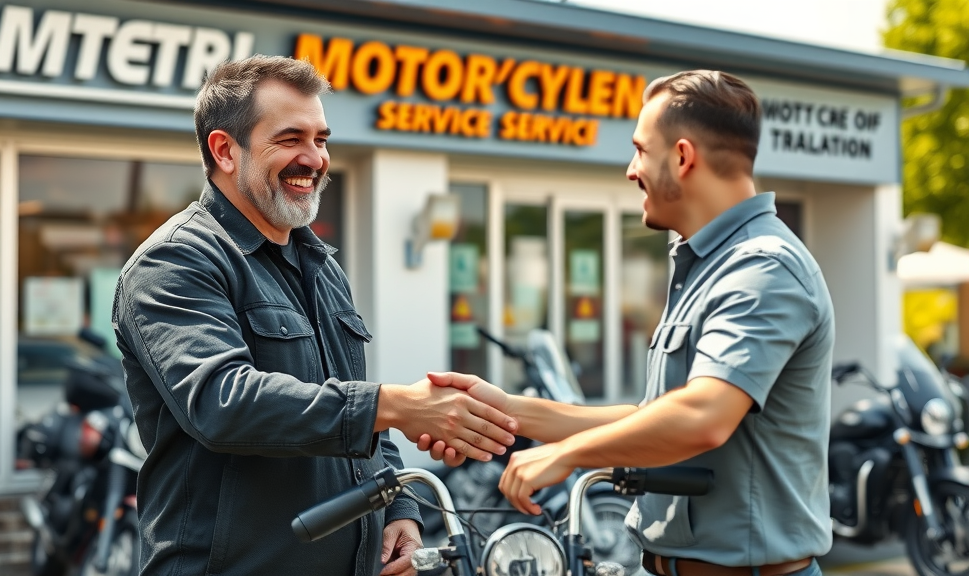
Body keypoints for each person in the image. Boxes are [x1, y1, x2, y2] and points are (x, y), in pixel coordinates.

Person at [112, 55, 518, 576]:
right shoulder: (175, 261)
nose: (314, 158)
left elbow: (357, 410)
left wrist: (399, 507)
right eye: (290, 139)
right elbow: (222, 402)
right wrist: (394, 405)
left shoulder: (322, 267)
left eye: (321, 139)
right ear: (224, 150)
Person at [422, 70, 834, 576]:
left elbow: (702, 416)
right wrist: (508, 412)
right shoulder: (708, 265)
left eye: (641, 149)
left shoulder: (763, 266)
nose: (631, 170)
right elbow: (654, 416)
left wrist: (570, 455)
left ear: (682, 158)